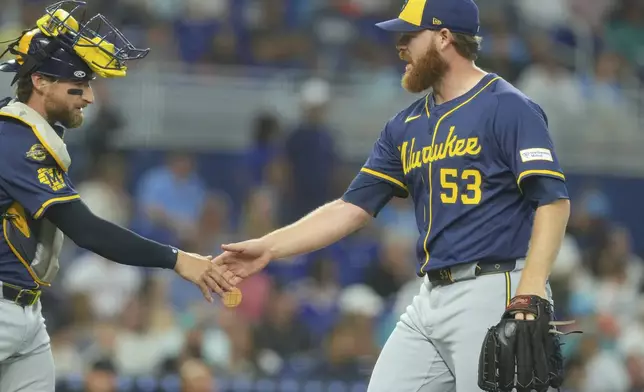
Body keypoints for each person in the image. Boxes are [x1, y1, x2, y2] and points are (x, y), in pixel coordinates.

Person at [212, 0, 571, 390]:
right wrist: (269, 246)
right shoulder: (405, 125)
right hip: (430, 296)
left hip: (494, 286)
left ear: (444, 37)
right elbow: (351, 207)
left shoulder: (508, 107)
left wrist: (532, 288)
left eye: (410, 35)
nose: (400, 45)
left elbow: (553, 200)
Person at [0, 2, 231, 391]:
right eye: (79, 82)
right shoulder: (14, 141)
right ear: (39, 81)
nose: (89, 96)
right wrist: (175, 259)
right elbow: (87, 231)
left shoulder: (31, 135)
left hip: (26, 311)